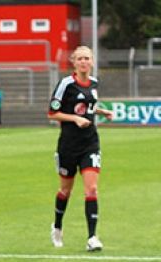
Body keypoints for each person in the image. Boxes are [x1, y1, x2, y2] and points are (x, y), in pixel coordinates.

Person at [48, 46, 113, 251]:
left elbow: (88, 106)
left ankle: (92, 237)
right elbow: (52, 113)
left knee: (92, 188)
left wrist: (101, 111)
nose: (84, 62)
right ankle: (57, 227)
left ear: (92, 61)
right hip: (68, 145)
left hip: (90, 143)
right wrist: (75, 118)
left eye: (87, 58)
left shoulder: (94, 82)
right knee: (65, 190)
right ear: (74, 63)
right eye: (80, 58)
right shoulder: (65, 84)